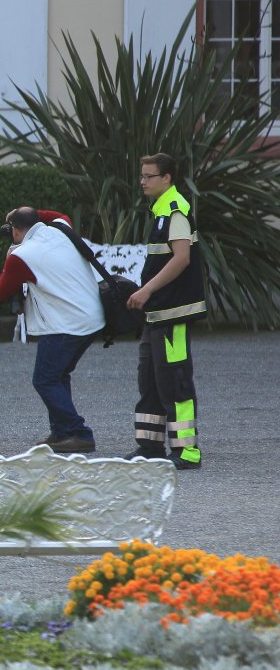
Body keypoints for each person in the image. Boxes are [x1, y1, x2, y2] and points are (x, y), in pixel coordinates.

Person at [0, 207, 105, 453]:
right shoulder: (60, 229)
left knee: (44, 379)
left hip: (65, 324)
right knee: (58, 375)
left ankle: (78, 433)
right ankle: (61, 433)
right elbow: (58, 215)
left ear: (15, 230)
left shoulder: (22, 255)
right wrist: (26, 212)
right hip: (92, 317)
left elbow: (2, 291)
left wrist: (9, 257)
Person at [126, 152, 207, 469]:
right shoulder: (161, 211)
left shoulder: (175, 210)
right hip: (158, 314)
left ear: (167, 178)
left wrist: (146, 289)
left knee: (175, 380)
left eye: (149, 176)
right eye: (142, 175)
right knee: (150, 379)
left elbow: (181, 258)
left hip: (173, 313)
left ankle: (187, 451)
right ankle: (150, 446)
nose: (143, 181)